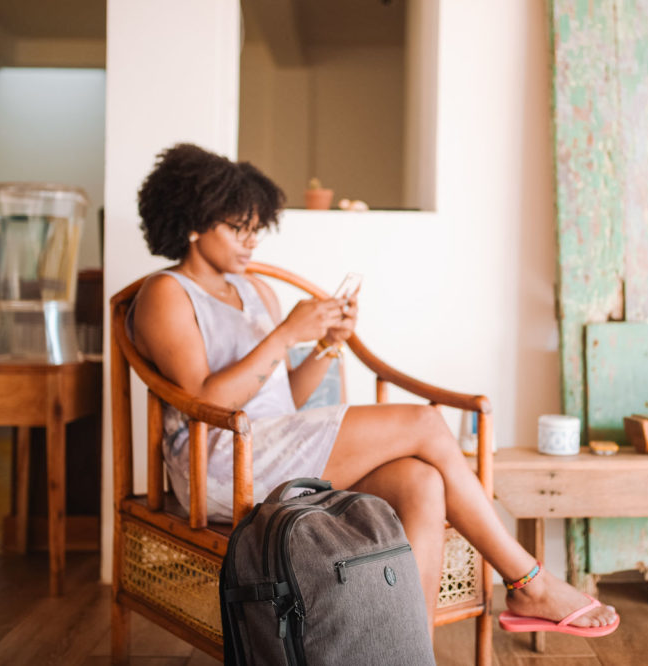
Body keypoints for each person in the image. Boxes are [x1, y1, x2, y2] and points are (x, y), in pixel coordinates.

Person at [130, 143, 619, 638]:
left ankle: (413, 647)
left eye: (256, 228)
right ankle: (527, 580)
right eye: (237, 228)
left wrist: (325, 345)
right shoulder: (165, 294)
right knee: (425, 422)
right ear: (192, 223)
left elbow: (283, 402)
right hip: (219, 464)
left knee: (420, 481)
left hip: (271, 444)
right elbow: (206, 402)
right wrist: (284, 336)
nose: (251, 242)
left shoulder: (257, 291)